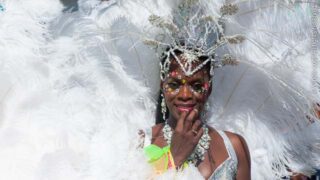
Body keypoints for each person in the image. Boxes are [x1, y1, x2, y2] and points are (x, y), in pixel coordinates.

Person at [143, 48, 251, 179]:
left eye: (196, 86)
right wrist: (174, 159)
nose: (185, 95)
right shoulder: (142, 143)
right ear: (162, 86)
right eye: (174, 85)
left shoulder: (234, 146)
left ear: (209, 89)